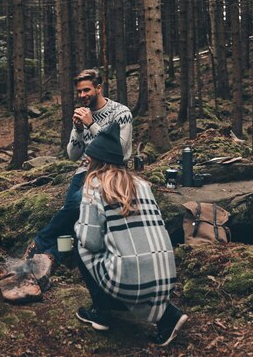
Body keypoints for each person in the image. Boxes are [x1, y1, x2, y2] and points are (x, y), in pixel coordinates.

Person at [73, 122, 188, 346]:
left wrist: (78, 226)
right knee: (125, 250)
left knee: (81, 244)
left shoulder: (94, 186)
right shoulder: (142, 184)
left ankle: (101, 311)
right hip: (165, 274)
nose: (85, 163)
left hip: (130, 281)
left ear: (96, 160)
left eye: (87, 159)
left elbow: (91, 241)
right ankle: (166, 314)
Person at [23, 69, 132, 262]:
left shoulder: (121, 113)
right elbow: (72, 155)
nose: (82, 96)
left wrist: (91, 125)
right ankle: (53, 256)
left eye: (86, 90)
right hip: (84, 170)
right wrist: (79, 130)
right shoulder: (82, 115)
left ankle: (41, 243)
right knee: (74, 215)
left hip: (111, 171)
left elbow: (120, 152)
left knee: (77, 203)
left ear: (99, 88)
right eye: (79, 92)